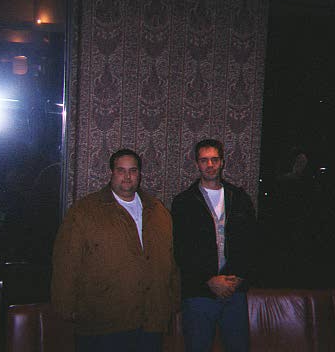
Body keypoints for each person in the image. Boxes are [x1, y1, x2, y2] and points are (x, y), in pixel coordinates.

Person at [51, 148, 180, 352]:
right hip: (103, 322)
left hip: (151, 321)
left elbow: (170, 262)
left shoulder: (158, 211)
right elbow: (66, 263)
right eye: (121, 170)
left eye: (133, 171)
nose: (127, 176)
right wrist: (65, 307)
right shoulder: (85, 211)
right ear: (111, 173)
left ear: (139, 174)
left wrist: (173, 301)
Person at [171, 139, 257, 352]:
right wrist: (208, 280)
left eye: (214, 159)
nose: (210, 165)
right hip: (199, 294)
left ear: (222, 162)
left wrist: (238, 277)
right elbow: (181, 249)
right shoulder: (184, 202)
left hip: (234, 291)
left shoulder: (239, 198)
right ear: (197, 164)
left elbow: (251, 242)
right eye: (204, 160)